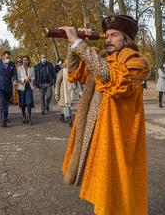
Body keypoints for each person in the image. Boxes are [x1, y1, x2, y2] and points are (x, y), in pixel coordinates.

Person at [60, 15, 150, 215]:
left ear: (126, 39)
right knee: (101, 183)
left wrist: (79, 43)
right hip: (98, 131)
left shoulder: (135, 62)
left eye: (114, 35)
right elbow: (74, 73)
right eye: (107, 35)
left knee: (118, 184)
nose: (108, 39)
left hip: (119, 137)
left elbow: (110, 77)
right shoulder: (102, 57)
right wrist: (73, 46)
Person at [0, 51, 17, 127]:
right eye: (7, 57)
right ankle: (3, 120)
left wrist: (15, 79)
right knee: (1, 103)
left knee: (6, 103)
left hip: (8, 86)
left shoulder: (12, 64)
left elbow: (14, 74)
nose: (8, 59)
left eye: (9, 57)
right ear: (3, 57)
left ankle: (5, 116)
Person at [55, 61, 76, 127]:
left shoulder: (73, 72)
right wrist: (57, 93)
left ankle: (62, 116)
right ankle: (70, 120)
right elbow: (57, 83)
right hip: (63, 92)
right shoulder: (61, 72)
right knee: (67, 106)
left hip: (70, 91)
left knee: (66, 105)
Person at [17, 55, 35, 125]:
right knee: (22, 103)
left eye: (26, 60)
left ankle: (29, 117)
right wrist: (24, 79)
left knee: (29, 103)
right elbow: (17, 78)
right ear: (22, 61)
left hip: (29, 87)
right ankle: (24, 116)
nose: (25, 61)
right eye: (24, 60)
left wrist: (30, 79)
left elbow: (34, 77)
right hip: (21, 87)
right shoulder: (19, 68)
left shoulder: (31, 68)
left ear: (28, 61)